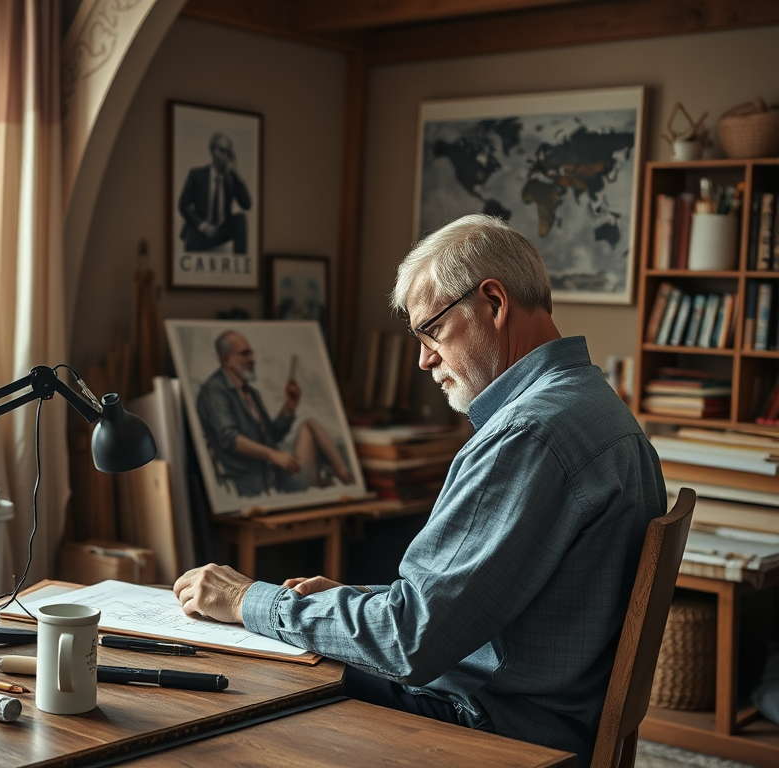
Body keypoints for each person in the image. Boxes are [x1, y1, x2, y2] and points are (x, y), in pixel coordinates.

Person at [174, 214, 666, 767]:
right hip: (545, 709)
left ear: (494, 304)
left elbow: (408, 642)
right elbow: (468, 602)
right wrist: (358, 602)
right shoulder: (594, 406)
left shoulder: (526, 436)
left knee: (252, 673)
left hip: (496, 726)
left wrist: (250, 600)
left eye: (431, 331)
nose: (424, 359)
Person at [196, 330, 354, 498]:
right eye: (244, 354)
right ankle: (347, 481)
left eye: (251, 353)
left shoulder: (251, 393)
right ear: (226, 359)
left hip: (275, 475)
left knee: (309, 423)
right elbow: (230, 439)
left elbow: (272, 436)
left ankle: (345, 476)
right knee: (310, 428)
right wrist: (273, 455)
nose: (252, 359)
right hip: (258, 485)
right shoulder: (214, 391)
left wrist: (289, 407)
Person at [178, 132, 251, 254]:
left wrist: (236, 174)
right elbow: (183, 205)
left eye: (228, 152)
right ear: (212, 151)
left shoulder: (231, 179)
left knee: (241, 219)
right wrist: (203, 226)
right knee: (192, 228)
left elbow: (246, 205)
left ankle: (240, 261)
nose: (225, 156)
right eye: (221, 151)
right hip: (199, 232)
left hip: (220, 231)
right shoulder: (197, 175)